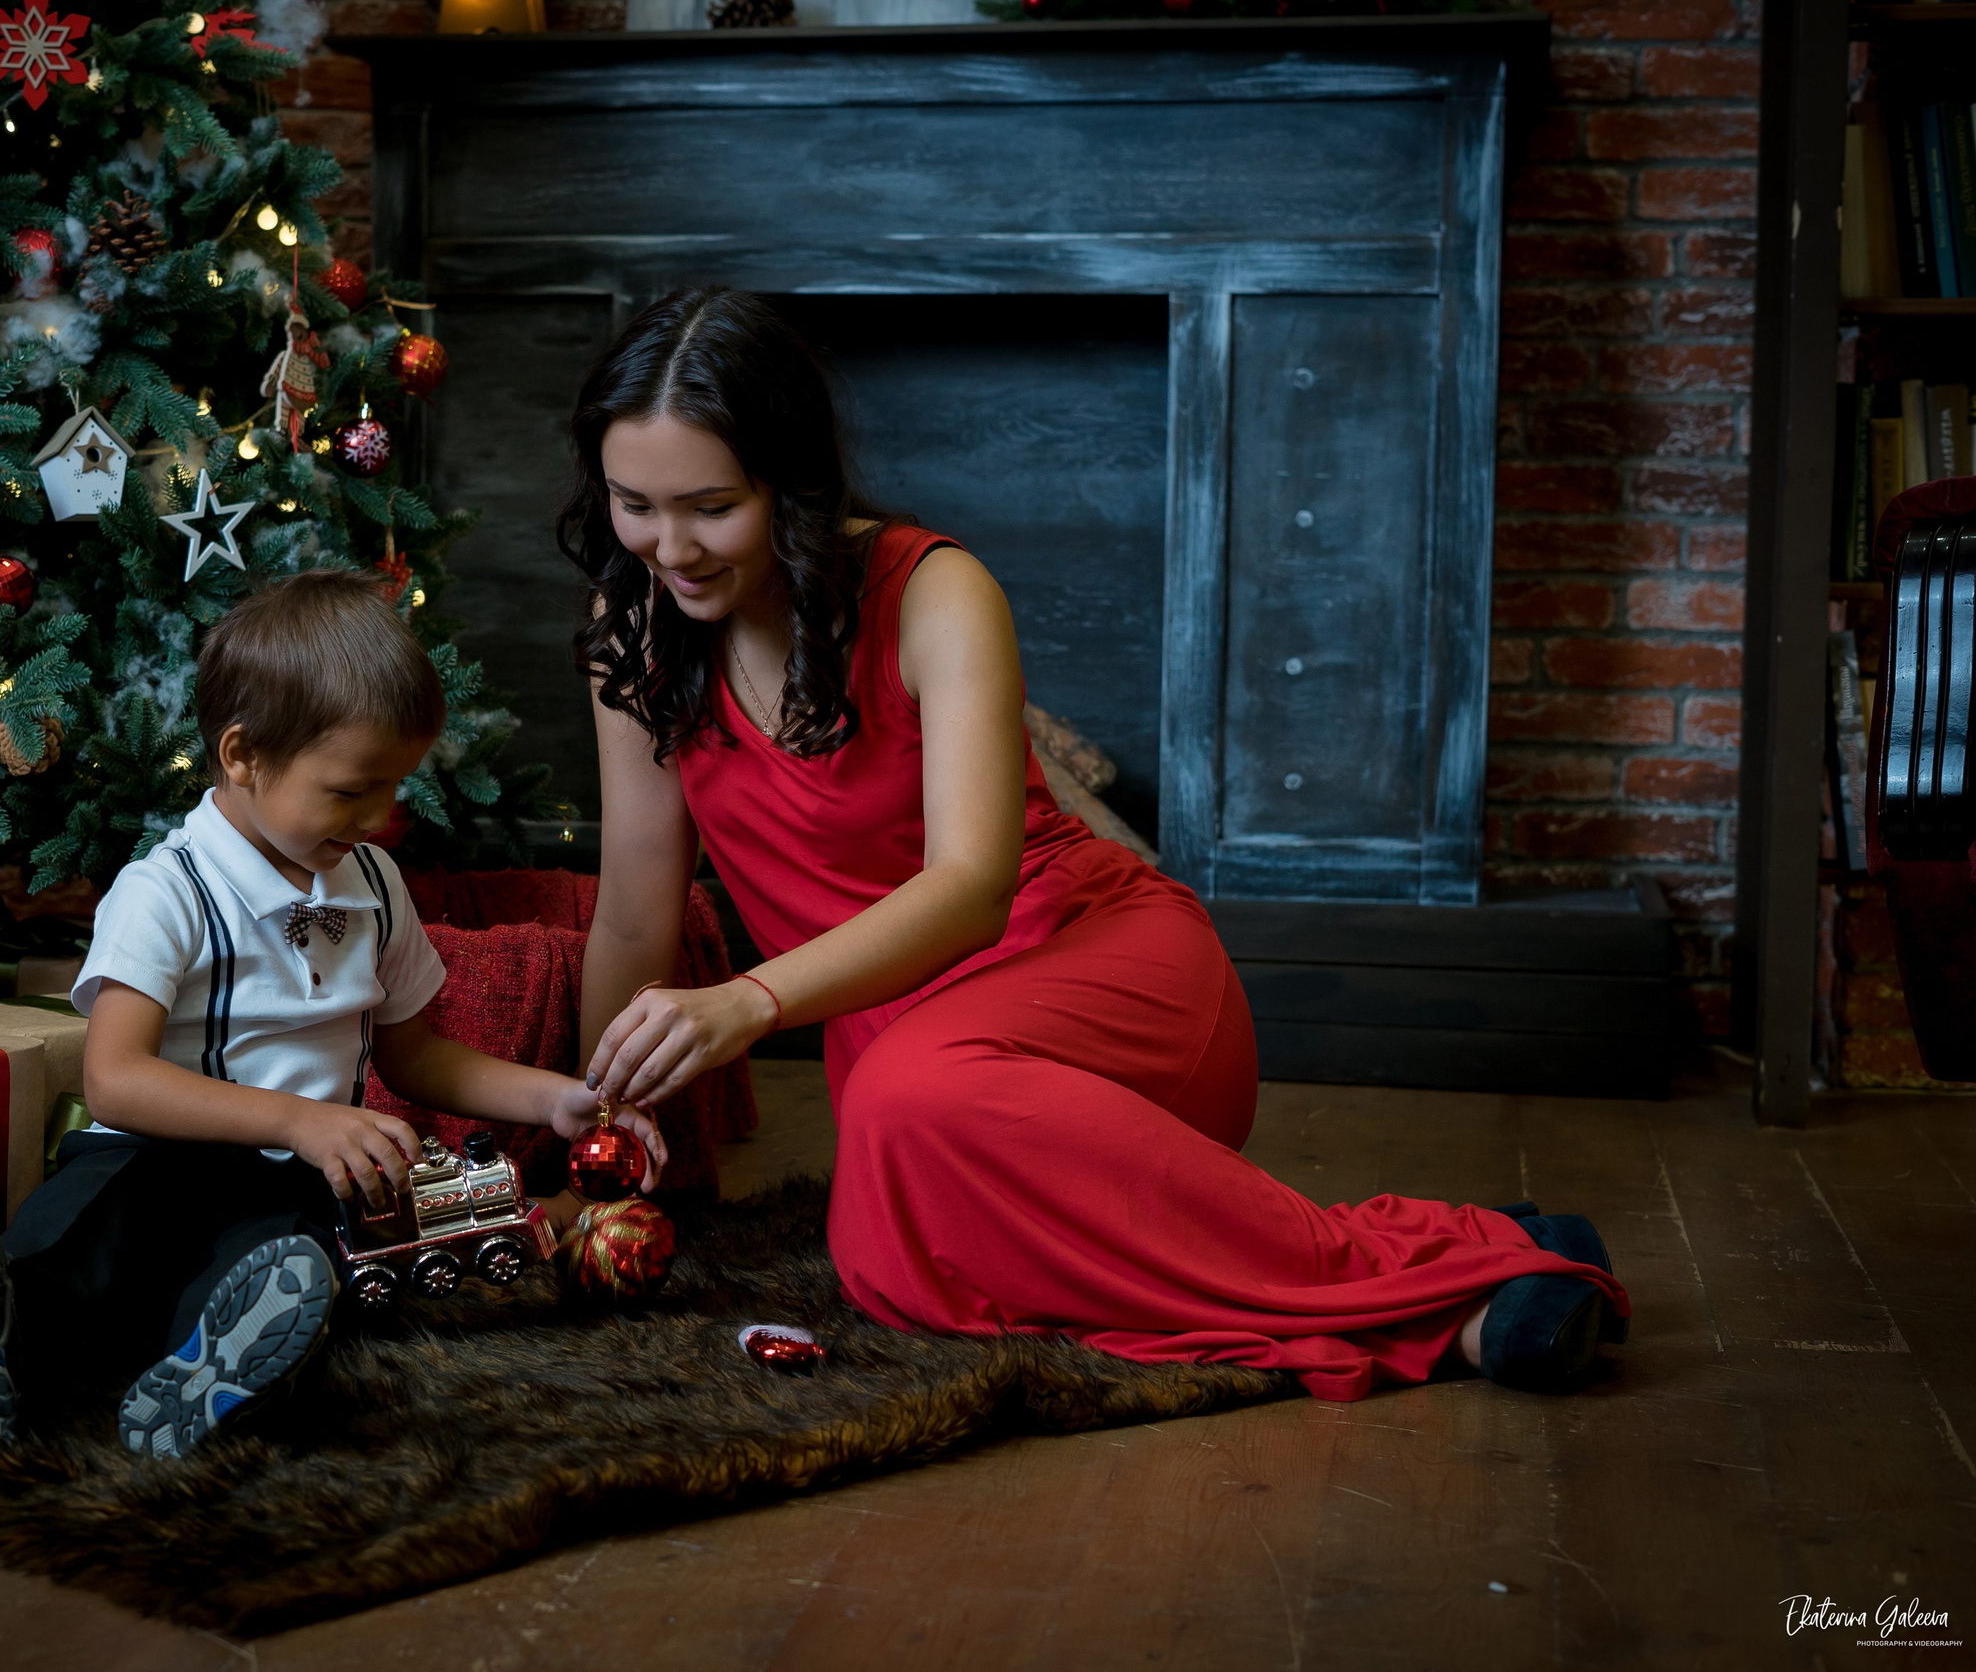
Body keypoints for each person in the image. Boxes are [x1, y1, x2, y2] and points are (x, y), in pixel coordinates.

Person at [561, 289, 1631, 1404]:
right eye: (634, 504)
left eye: (710, 506)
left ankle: (1450, 1294)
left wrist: (747, 999)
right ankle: (1482, 1245)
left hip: (1094, 977)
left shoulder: (932, 591)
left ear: (789, 482)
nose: (668, 546)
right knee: (891, 1262)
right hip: (915, 1063)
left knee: (906, 1105)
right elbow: (636, 912)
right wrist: (593, 1141)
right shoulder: (631, 632)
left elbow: (971, 890)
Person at [0, 570, 665, 1456]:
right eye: (349, 791)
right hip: (153, 1156)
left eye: (395, 789)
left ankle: (200, 1371)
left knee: (284, 1264)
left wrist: (554, 1099)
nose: (379, 817)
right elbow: (116, 1078)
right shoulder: (164, 890)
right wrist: (303, 1117)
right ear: (243, 755)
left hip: (289, 1180)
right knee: (91, 1245)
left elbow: (418, 1058)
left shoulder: (374, 885)